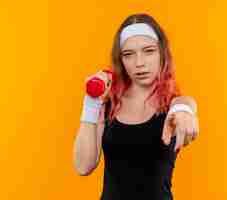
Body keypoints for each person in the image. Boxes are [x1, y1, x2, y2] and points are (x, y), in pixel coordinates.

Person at [73, 13, 199, 200]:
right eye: (128, 54)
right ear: (121, 60)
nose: (139, 63)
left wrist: (185, 111)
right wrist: (91, 102)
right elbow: (83, 166)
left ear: (162, 53)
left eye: (148, 51)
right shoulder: (108, 104)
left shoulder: (172, 105)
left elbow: (185, 103)